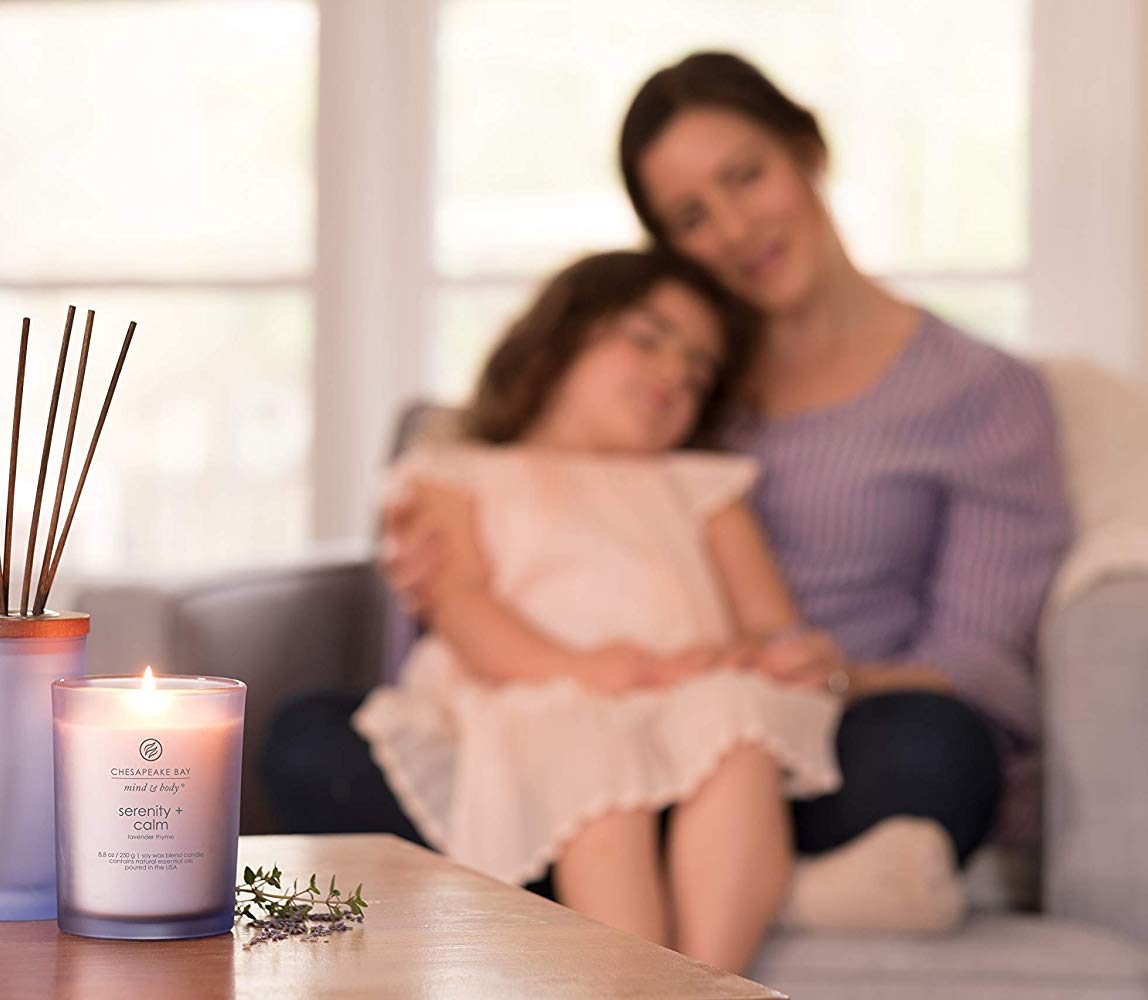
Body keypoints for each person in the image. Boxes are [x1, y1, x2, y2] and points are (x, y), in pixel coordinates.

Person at [384, 49, 1072, 913]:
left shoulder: (983, 394)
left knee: (936, 750)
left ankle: (680, 892)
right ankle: (798, 897)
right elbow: (520, 481)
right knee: (317, 741)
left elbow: (980, 664)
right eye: (692, 217)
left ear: (807, 149)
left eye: (746, 176)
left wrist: (832, 675)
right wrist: (431, 557)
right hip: (592, 725)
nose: (737, 230)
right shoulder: (660, 399)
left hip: (816, 730)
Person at [350, 248, 841, 973]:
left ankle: (707, 982)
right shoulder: (456, 472)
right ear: (560, 337)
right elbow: (466, 611)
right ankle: (642, 984)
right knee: (586, 751)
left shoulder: (702, 485)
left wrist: (779, 654)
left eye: (698, 370)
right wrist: (597, 670)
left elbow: (769, 623)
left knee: (741, 725)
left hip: (688, 690)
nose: (674, 373)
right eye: (647, 339)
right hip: (539, 688)